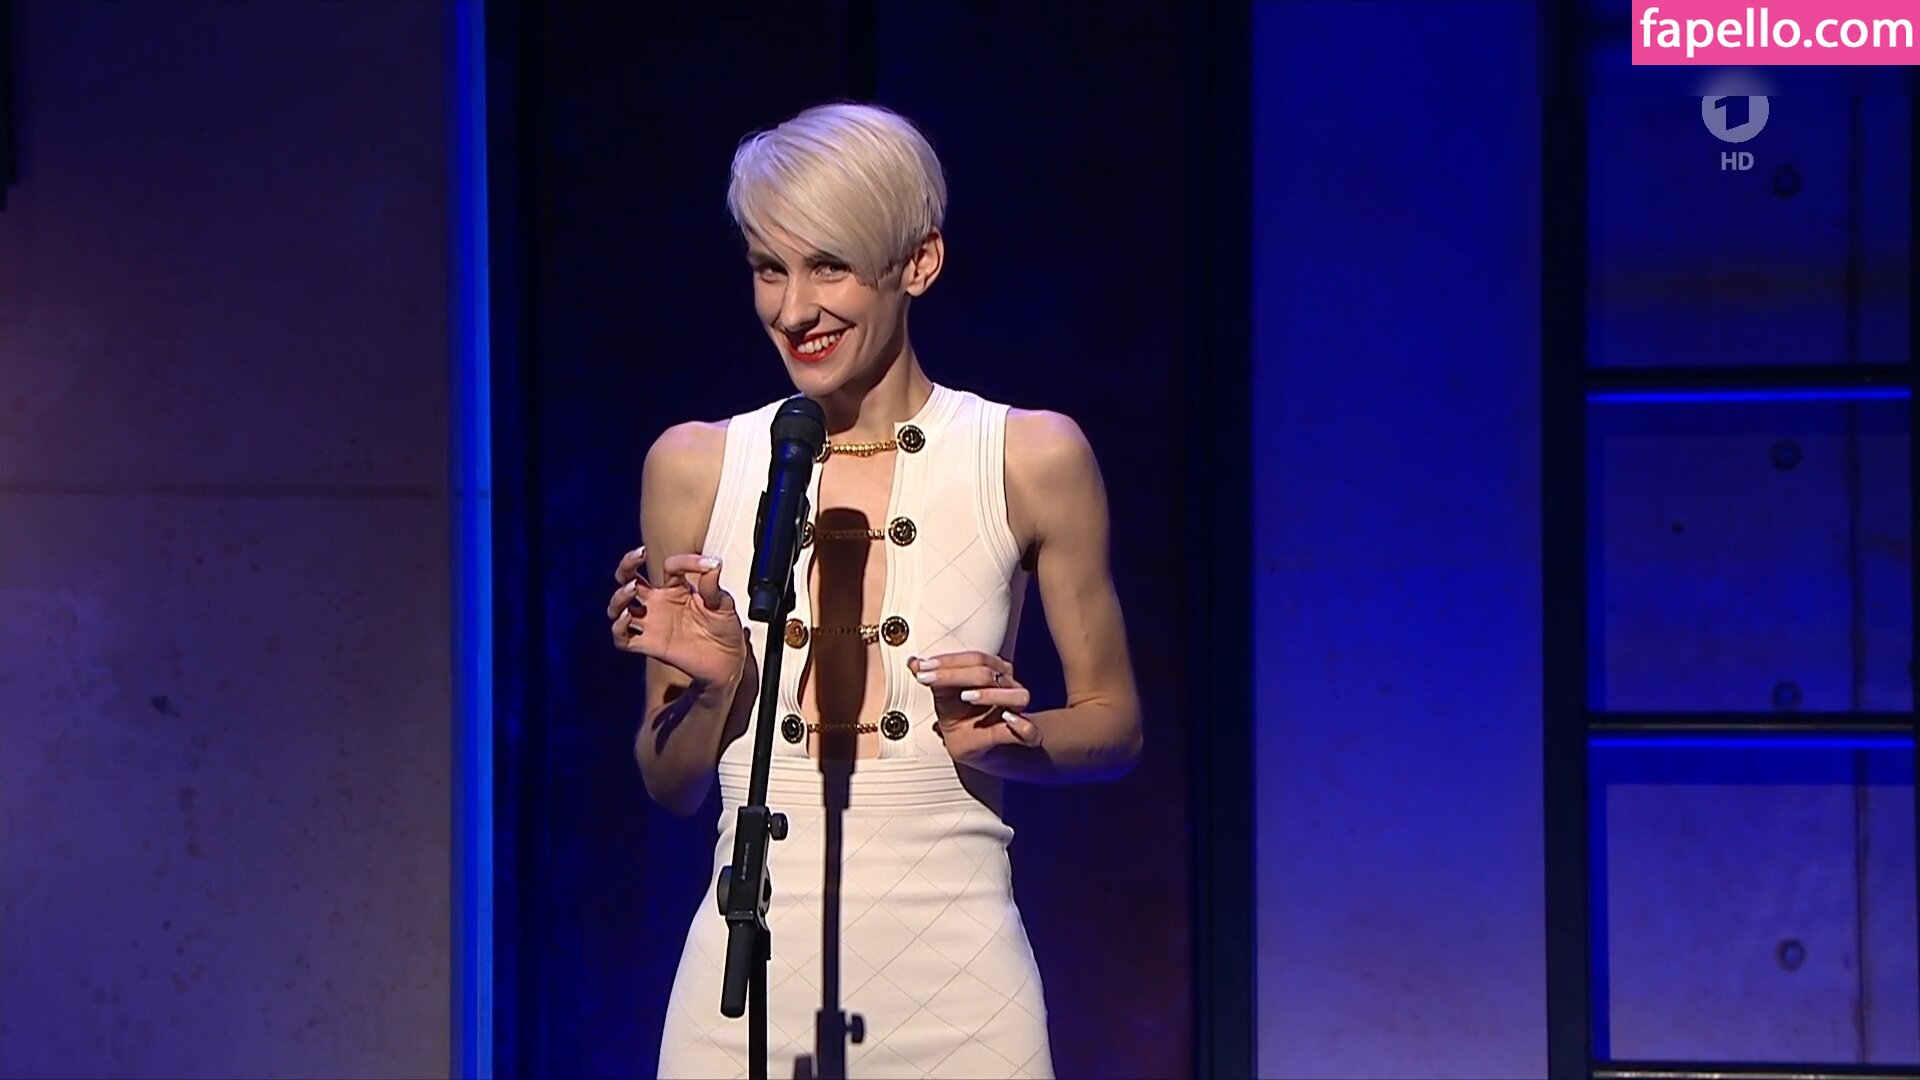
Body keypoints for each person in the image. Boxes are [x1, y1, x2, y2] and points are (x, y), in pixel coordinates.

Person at [605, 102, 1142, 1080]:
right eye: (768, 268)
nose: (792, 310)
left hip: (962, 983)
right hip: (745, 983)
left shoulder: (1031, 457)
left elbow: (1115, 724)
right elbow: (668, 780)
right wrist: (721, 688)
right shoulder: (694, 466)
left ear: (919, 263)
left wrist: (1015, 740)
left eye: (829, 267)